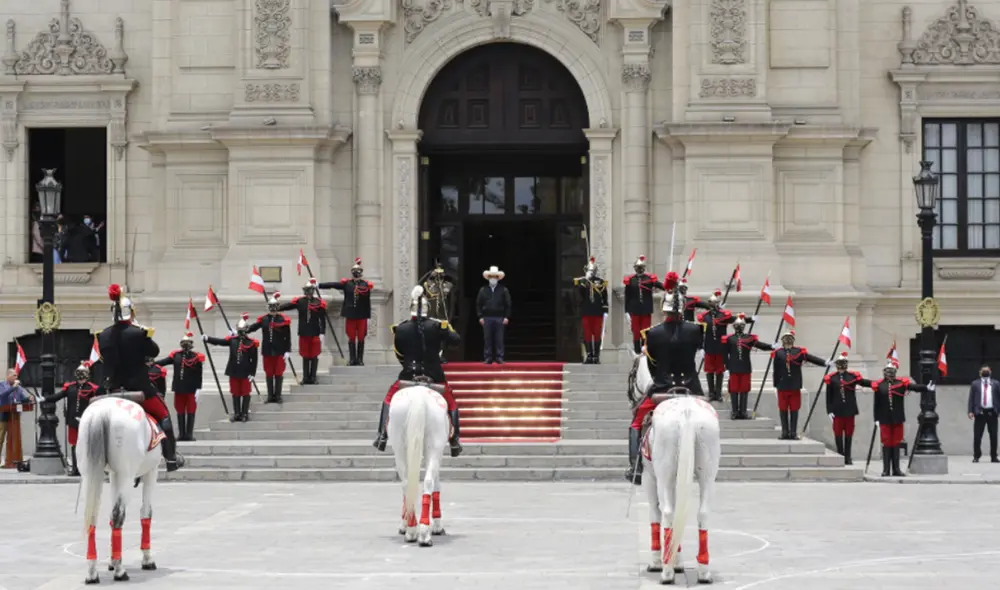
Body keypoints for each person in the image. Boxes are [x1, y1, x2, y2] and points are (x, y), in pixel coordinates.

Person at [625, 273, 703, 484]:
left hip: (663, 389)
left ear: (664, 310)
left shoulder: (652, 334)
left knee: (636, 422)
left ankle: (636, 467)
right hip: (692, 389)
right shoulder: (696, 330)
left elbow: (652, 366)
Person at [97, 284, 184, 472]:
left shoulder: (102, 336)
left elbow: (103, 359)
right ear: (131, 312)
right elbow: (154, 351)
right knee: (164, 416)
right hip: (139, 388)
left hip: (111, 389)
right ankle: (170, 458)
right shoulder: (138, 333)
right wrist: (143, 333)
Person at [373, 286, 463, 456]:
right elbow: (456, 341)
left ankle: (382, 436)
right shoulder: (438, 326)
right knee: (451, 402)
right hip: (434, 376)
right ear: (427, 310)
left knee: (388, 400)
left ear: (411, 310)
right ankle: (455, 441)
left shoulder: (400, 329)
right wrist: (445, 329)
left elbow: (400, 355)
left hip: (409, 375)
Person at [866, 360, 933, 477]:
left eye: (892, 371)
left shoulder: (901, 384)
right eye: (888, 371)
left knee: (896, 443)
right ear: (884, 372)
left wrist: (925, 388)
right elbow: (876, 404)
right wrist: (876, 418)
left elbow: (913, 387)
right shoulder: (880, 385)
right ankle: (886, 469)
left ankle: (896, 469)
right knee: (886, 443)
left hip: (897, 418)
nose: (890, 373)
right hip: (884, 418)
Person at [40, 362, 102, 475]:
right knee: (74, 445)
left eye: (83, 374)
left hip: (89, 420)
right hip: (73, 420)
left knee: (89, 445)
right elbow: (57, 397)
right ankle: (75, 468)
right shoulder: (70, 387)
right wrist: (44, 398)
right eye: (79, 374)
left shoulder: (93, 389)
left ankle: (89, 468)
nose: (81, 376)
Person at [771, 330, 830, 440]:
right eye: (785, 339)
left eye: (789, 339)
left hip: (794, 386)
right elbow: (776, 370)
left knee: (794, 409)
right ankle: (784, 432)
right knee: (783, 409)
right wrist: (775, 385)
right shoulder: (779, 353)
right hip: (782, 386)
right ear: (782, 341)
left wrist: (824, 363)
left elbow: (811, 358)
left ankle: (793, 432)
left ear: (793, 340)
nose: (787, 341)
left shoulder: (799, 352)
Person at [203, 313, 260, 422]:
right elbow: (220, 342)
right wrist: (208, 338)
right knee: (235, 393)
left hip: (245, 372)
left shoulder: (251, 343)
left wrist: (252, 374)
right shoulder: (232, 340)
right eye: (239, 330)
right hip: (233, 371)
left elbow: (254, 360)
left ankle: (244, 413)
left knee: (245, 393)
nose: (241, 332)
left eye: (243, 330)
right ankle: (237, 413)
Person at [318, 257, 373, 366]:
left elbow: (364, 293)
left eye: (358, 272)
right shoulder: (347, 284)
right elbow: (333, 285)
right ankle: (352, 359)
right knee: (351, 336)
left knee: (361, 337)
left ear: (361, 273)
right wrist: (319, 285)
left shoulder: (366, 285)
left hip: (362, 315)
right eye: (354, 272)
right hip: (350, 314)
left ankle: (360, 359)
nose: (356, 273)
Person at [153, 332, 205, 441]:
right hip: (179, 388)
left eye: (188, 343)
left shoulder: (196, 357)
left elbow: (199, 374)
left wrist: (199, 388)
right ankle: (181, 434)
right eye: (184, 343)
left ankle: (189, 434)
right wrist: (151, 363)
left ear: (191, 344)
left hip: (191, 389)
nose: (186, 345)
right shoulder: (176, 355)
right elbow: (163, 362)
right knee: (180, 410)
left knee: (190, 411)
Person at [823, 351, 871, 465]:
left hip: (850, 410)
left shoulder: (852, 377)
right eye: (839, 363)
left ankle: (848, 457)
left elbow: (864, 382)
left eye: (843, 363)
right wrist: (829, 410)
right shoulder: (832, 378)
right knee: (838, 434)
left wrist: (877, 384)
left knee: (849, 434)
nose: (841, 366)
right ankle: (840, 455)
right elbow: (828, 396)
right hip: (837, 411)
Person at [720, 313, 771, 420]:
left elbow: (761, 345)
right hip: (733, 368)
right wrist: (726, 367)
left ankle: (743, 412)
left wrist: (772, 346)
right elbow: (724, 354)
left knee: (744, 390)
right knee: (733, 390)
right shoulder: (729, 339)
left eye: (741, 326)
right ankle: (734, 412)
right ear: (734, 327)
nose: (739, 327)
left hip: (745, 368)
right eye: (737, 326)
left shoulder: (749, 338)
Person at [278, 278, 327, 384]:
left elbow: (322, 319)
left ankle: (313, 377)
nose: (308, 291)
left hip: (315, 332)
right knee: (305, 355)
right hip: (304, 332)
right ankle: (305, 377)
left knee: (314, 355)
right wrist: (277, 307)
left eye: (310, 289)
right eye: (307, 289)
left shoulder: (318, 302)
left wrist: (323, 332)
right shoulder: (300, 301)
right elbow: (289, 306)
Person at [247, 292, 292, 404]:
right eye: (271, 307)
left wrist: (287, 350)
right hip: (267, 350)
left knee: (278, 373)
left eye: (275, 307)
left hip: (279, 351)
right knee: (269, 373)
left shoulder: (283, 320)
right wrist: (240, 331)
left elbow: (287, 336)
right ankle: (270, 396)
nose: (273, 309)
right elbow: (253, 327)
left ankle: (278, 396)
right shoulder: (264, 319)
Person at [697, 290, 734, 402]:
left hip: (720, 348)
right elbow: (700, 332)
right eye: (711, 303)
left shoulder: (724, 316)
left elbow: (735, 320)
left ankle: (718, 393)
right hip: (708, 347)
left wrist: (750, 320)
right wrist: (700, 347)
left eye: (715, 303)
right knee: (709, 371)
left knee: (719, 371)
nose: (713, 305)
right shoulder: (704, 317)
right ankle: (711, 393)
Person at [622, 255, 663, 354]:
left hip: (646, 309)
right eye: (637, 268)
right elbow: (627, 296)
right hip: (634, 310)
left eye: (641, 268)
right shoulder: (630, 280)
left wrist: (669, 286)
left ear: (644, 268)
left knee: (645, 332)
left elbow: (660, 285)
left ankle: (644, 351)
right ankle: (637, 352)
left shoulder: (649, 278)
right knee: (636, 332)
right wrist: (627, 311)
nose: (639, 269)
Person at [418, 260, 457, 363]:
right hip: (430, 315)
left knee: (442, 336)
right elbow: (418, 285)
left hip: (443, 316)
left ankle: (440, 355)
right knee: (430, 336)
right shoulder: (428, 284)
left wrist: (450, 316)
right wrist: (429, 274)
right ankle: (431, 355)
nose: (438, 274)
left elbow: (452, 302)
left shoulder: (448, 285)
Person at [574, 257, 609, 364]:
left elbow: (604, 297)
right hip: (586, 312)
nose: (591, 272)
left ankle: (596, 356)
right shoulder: (582, 282)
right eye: (589, 270)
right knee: (587, 334)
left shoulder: (601, 282)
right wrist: (584, 281)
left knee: (597, 334)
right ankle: (589, 355)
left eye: (592, 270)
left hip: (598, 312)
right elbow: (579, 296)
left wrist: (605, 310)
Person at [476, 265, 511, 364]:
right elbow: (478, 304)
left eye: (494, 277)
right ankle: (488, 357)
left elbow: (508, 304)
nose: (493, 279)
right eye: (491, 277)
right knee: (487, 339)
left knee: (499, 339)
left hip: (499, 317)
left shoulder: (503, 290)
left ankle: (500, 357)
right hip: (487, 317)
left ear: (497, 278)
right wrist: (480, 316)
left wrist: (506, 317)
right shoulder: (483, 290)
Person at [0, 369, 35, 468]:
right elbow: (2, 395)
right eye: (14, 376)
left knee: (13, 438)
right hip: (2, 415)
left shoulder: (18, 388)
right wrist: (13, 388)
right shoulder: (1, 385)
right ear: (8, 376)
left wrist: (29, 398)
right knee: (0, 438)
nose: (16, 378)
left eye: (16, 376)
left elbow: (22, 398)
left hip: (14, 416)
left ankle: (13, 459)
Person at [968, 365, 999, 463]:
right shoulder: (975, 384)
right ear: (980, 372)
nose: (985, 372)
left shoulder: (996, 383)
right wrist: (970, 411)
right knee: (977, 436)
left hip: (992, 413)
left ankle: (993, 456)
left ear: (990, 371)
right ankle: (976, 456)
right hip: (980, 413)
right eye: (983, 370)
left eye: (987, 370)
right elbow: (971, 398)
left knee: (993, 436)